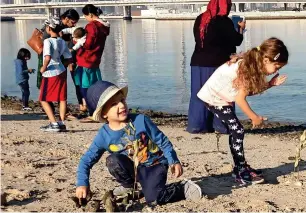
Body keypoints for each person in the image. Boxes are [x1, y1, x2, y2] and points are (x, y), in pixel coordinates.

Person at [75, 81, 202, 208]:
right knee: (113, 160)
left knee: (154, 199)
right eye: (114, 104)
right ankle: (130, 186)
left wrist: (173, 160)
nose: (121, 105)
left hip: (155, 165)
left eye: (122, 100)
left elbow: (162, 141)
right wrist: (82, 184)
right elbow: (86, 160)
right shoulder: (104, 136)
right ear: (103, 113)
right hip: (133, 168)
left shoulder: (141, 120)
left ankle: (183, 188)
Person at [197, 37, 289, 185]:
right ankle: (240, 171)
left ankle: (240, 166)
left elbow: (248, 92)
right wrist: (254, 117)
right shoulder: (247, 68)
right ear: (266, 60)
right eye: (276, 67)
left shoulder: (253, 65)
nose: (276, 71)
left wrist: (270, 84)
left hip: (221, 97)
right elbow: (240, 99)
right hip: (214, 98)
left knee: (236, 130)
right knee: (238, 130)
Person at [187, 0, 245, 134]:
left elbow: (200, 40)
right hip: (218, 64)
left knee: (199, 96)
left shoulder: (200, 19)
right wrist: (240, 28)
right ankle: (221, 126)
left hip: (198, 63)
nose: (229, 8)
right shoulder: (224, 21)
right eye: (228, 5)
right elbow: (236, 40)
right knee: (222, 95)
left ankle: (197, 126)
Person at [74, 4, 110, 122]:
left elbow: (88, 44)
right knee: (95, 85)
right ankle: (98, 109)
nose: (85, 18)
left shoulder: (92, 26)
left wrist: (78, 41)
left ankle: (92, 112)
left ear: (90, 14)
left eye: (85, 16)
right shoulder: (103, 26)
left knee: (84, 87)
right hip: (96, 59)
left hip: (86, 59)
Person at [39, 18, 72, 132]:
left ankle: (53, 123)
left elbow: (47, 57)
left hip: (51, 72)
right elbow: (69, 57)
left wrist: (43, 68)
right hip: (61, 71)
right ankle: (62, 123)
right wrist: (63, 65)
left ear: (48, 28)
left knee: (43, 99)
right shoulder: (62, 41)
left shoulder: (47, 41)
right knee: (62, 98)